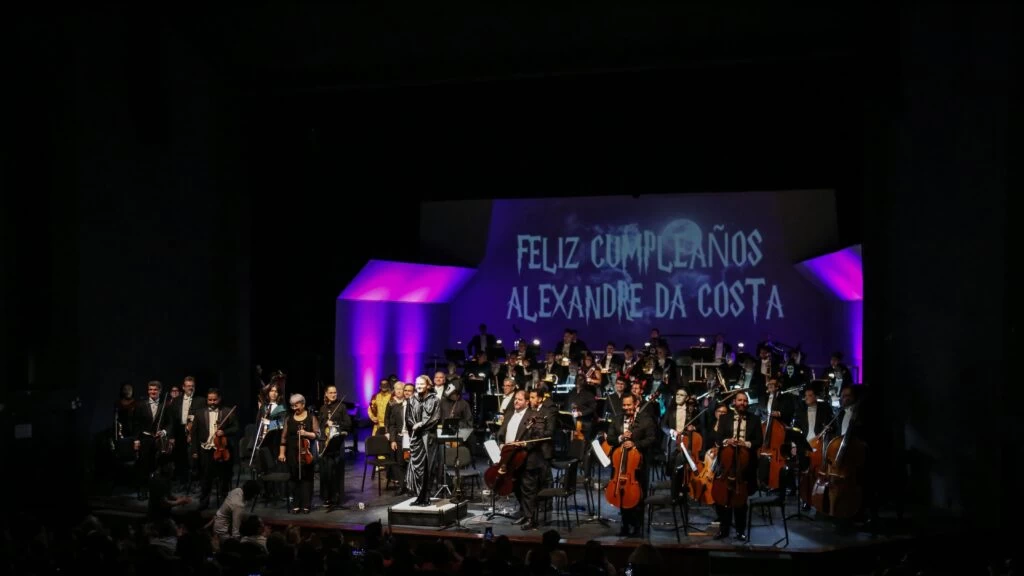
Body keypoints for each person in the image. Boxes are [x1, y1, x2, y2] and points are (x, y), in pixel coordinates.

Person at [711, 391, 762, 541]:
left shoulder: (754, 419)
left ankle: (740, 530)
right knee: (722, 499)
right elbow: (719, 439)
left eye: (745, 401)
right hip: (726, 463)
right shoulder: (725, 418)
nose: (743, 403)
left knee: (741, 501)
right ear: (734, 402)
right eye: (740, 400)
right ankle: (723, 529)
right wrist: (728, 441)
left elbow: (759, 440)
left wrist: (745, 443)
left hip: (745, 465)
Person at [606, 393, 657, 538]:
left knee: (638, 497)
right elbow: (610, 439)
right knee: (621, 495)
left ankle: (638, 527)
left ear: (636, 404)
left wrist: (635, 444)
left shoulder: (645, 420)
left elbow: (652, 439)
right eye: (624, 405)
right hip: (620, 464)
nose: (626, 408)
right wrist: (620, 438)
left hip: (637, 466)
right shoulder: (616, 419)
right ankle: (625, 525)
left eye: (629, 405)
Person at [190, 388, 238, 510]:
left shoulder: (227, 411)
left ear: (219, 399)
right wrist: (194, 451)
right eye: (209, 400)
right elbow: (194, 434)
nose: (212, 402)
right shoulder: (200, 413)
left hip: (222, 449)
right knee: (206, 477)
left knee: (224, 477)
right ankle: (204, 501)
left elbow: (236, 428)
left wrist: (224, 431)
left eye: (214, 400)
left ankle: (224, 502)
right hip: (205, 449)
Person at [278, 393, 321, 513]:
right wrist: (282, 453)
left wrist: (306, 434)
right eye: (292, 406)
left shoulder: (311, 417)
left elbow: (317, 434)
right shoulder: (289, 419)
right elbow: (284, 438)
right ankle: (296, 503)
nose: (294, 408)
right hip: (292, 452)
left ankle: (306, 504)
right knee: (294, 478)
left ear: (303, 404)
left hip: (306, 452)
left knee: (307, 478)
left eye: (296, 405)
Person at [405, 375, 440, 506]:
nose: (419, 386)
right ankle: (419, 497)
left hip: (428, 438)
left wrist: (421, 424)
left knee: (428, 468)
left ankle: (426, 497)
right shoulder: (411, 400)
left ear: (428, 385)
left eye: (421, 384)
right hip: (416, 437)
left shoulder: (434, 400)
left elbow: (435, 419)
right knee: (417, 468)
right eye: (417, 384)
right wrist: (414, 425)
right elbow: (408, 418)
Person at [318, 385, 353, 509]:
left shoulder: (342, 407)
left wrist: (335, 424)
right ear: (326, 394)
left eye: (335, 392)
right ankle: (326, 497)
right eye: (331, 393)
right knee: (326, 470)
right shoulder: (323, 408)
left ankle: (337, 496)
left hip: (337, 441)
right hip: (326, 442)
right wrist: (324, 424)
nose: (333, 395)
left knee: (337, 469)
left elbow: (348, 424)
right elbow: (319, 426)